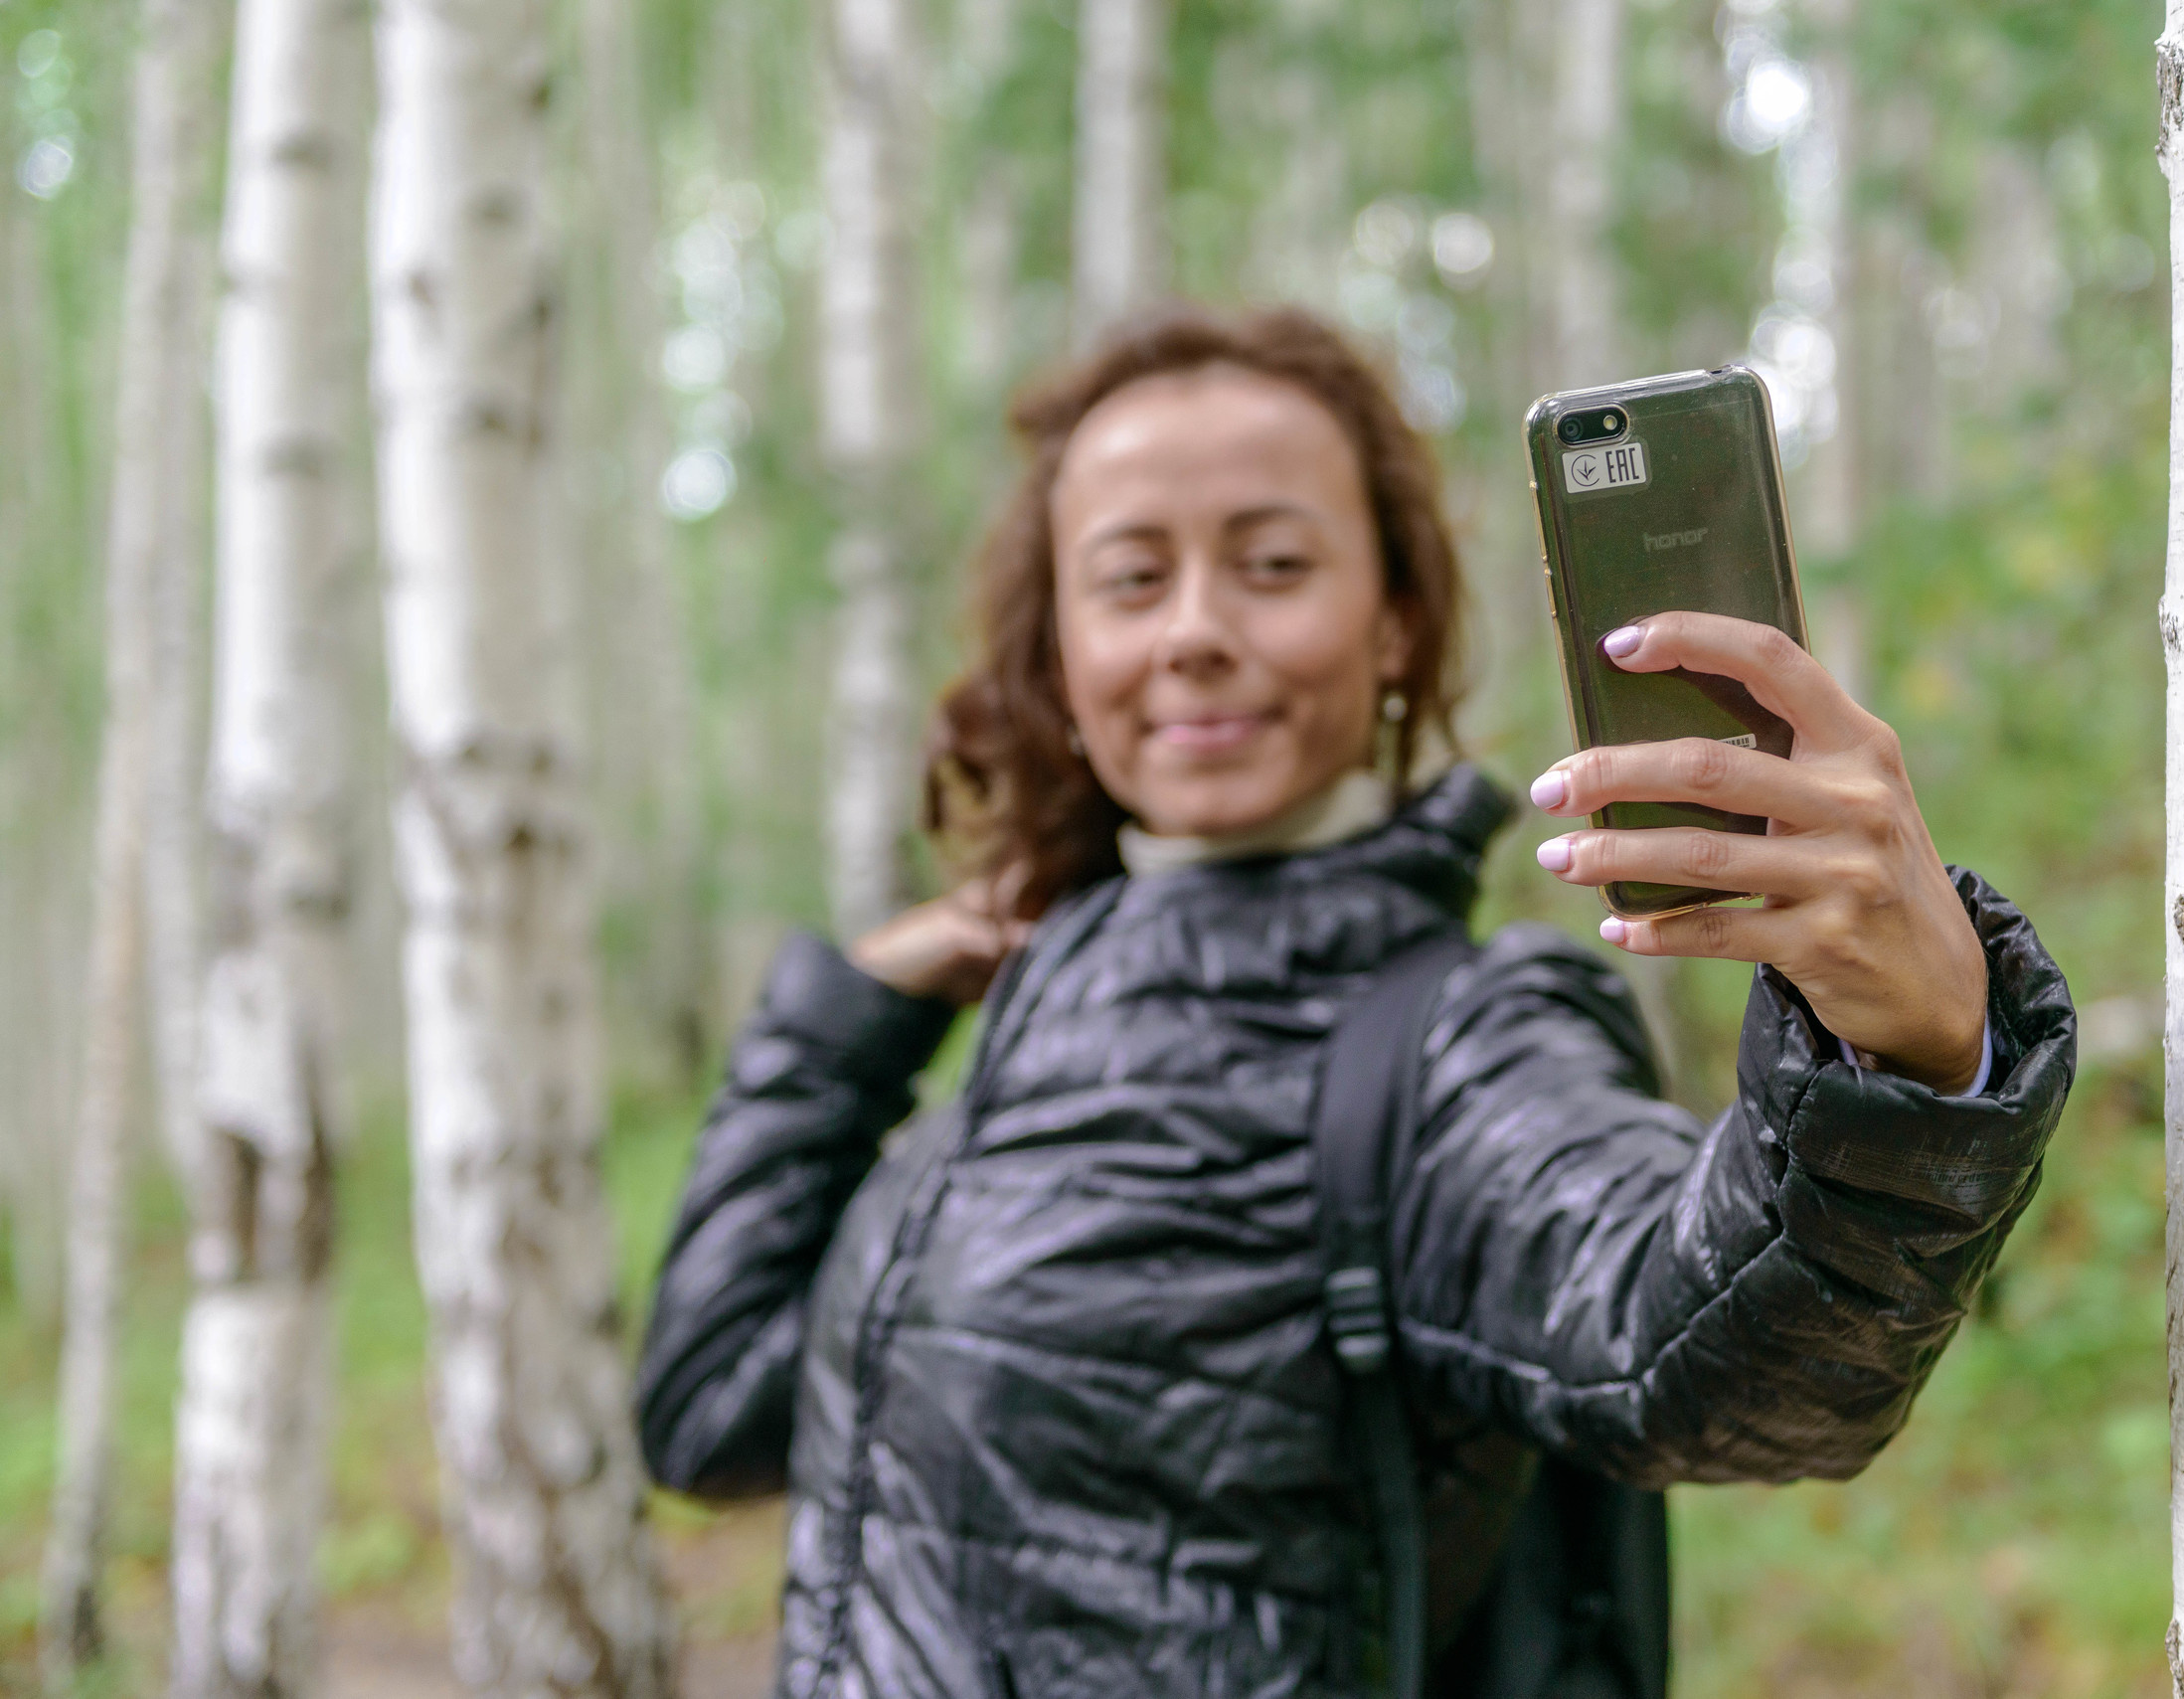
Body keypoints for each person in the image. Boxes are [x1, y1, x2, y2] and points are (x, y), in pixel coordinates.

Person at [635, 307, 2076, 1699]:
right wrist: (860, 1010)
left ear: (1394, 622)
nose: (1194, 630)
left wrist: (1907, 1049)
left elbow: (1712, 1362)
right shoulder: (1033, 1007)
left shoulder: (1454, 1035)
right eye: (1132, 578)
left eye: (1270, 563)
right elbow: (710, 1408)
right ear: (1061, 647)